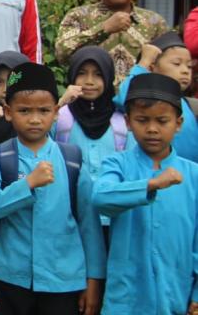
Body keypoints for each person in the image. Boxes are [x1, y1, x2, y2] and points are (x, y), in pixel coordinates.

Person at [0, 63, 105, 315]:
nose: (35, 119)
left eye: (44, 110)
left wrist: (94, 280)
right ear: (8, 112)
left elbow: (89, 224)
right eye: (24, 110)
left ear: (56, 112)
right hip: (10, 277)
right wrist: (27, 184)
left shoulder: (71, 159)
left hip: (63, 279)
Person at [93, 73, 198, 314]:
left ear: (178, 123)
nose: (152, 129)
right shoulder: (116, 165)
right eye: (142, 120)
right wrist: (150, 185)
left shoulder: (193, 175)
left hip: (176, 296)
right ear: (128, 122)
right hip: (126, 299)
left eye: (162, 121)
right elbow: (100, 197)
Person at [56, 0, 169, 88]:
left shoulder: (154, 22)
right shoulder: (79, 16)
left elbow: (168, 65)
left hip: (139, 103)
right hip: (92, 100)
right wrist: (104, 28)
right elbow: (62, 54)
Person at [53, 47, 135, 183]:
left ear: (108, 77)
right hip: (67, 201)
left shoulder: (122, 120)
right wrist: (61, 103)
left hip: (112, 201)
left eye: (98, 74)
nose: (89, 81)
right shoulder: (61, 117)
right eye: (82, 73)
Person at [116, 32, 198, 163]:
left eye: (189, 66)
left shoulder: (192, 107)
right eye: (177, 64)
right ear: (152, 67)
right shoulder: (142, 100)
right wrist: (144, 62)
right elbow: (124, 98)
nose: (185, 70)